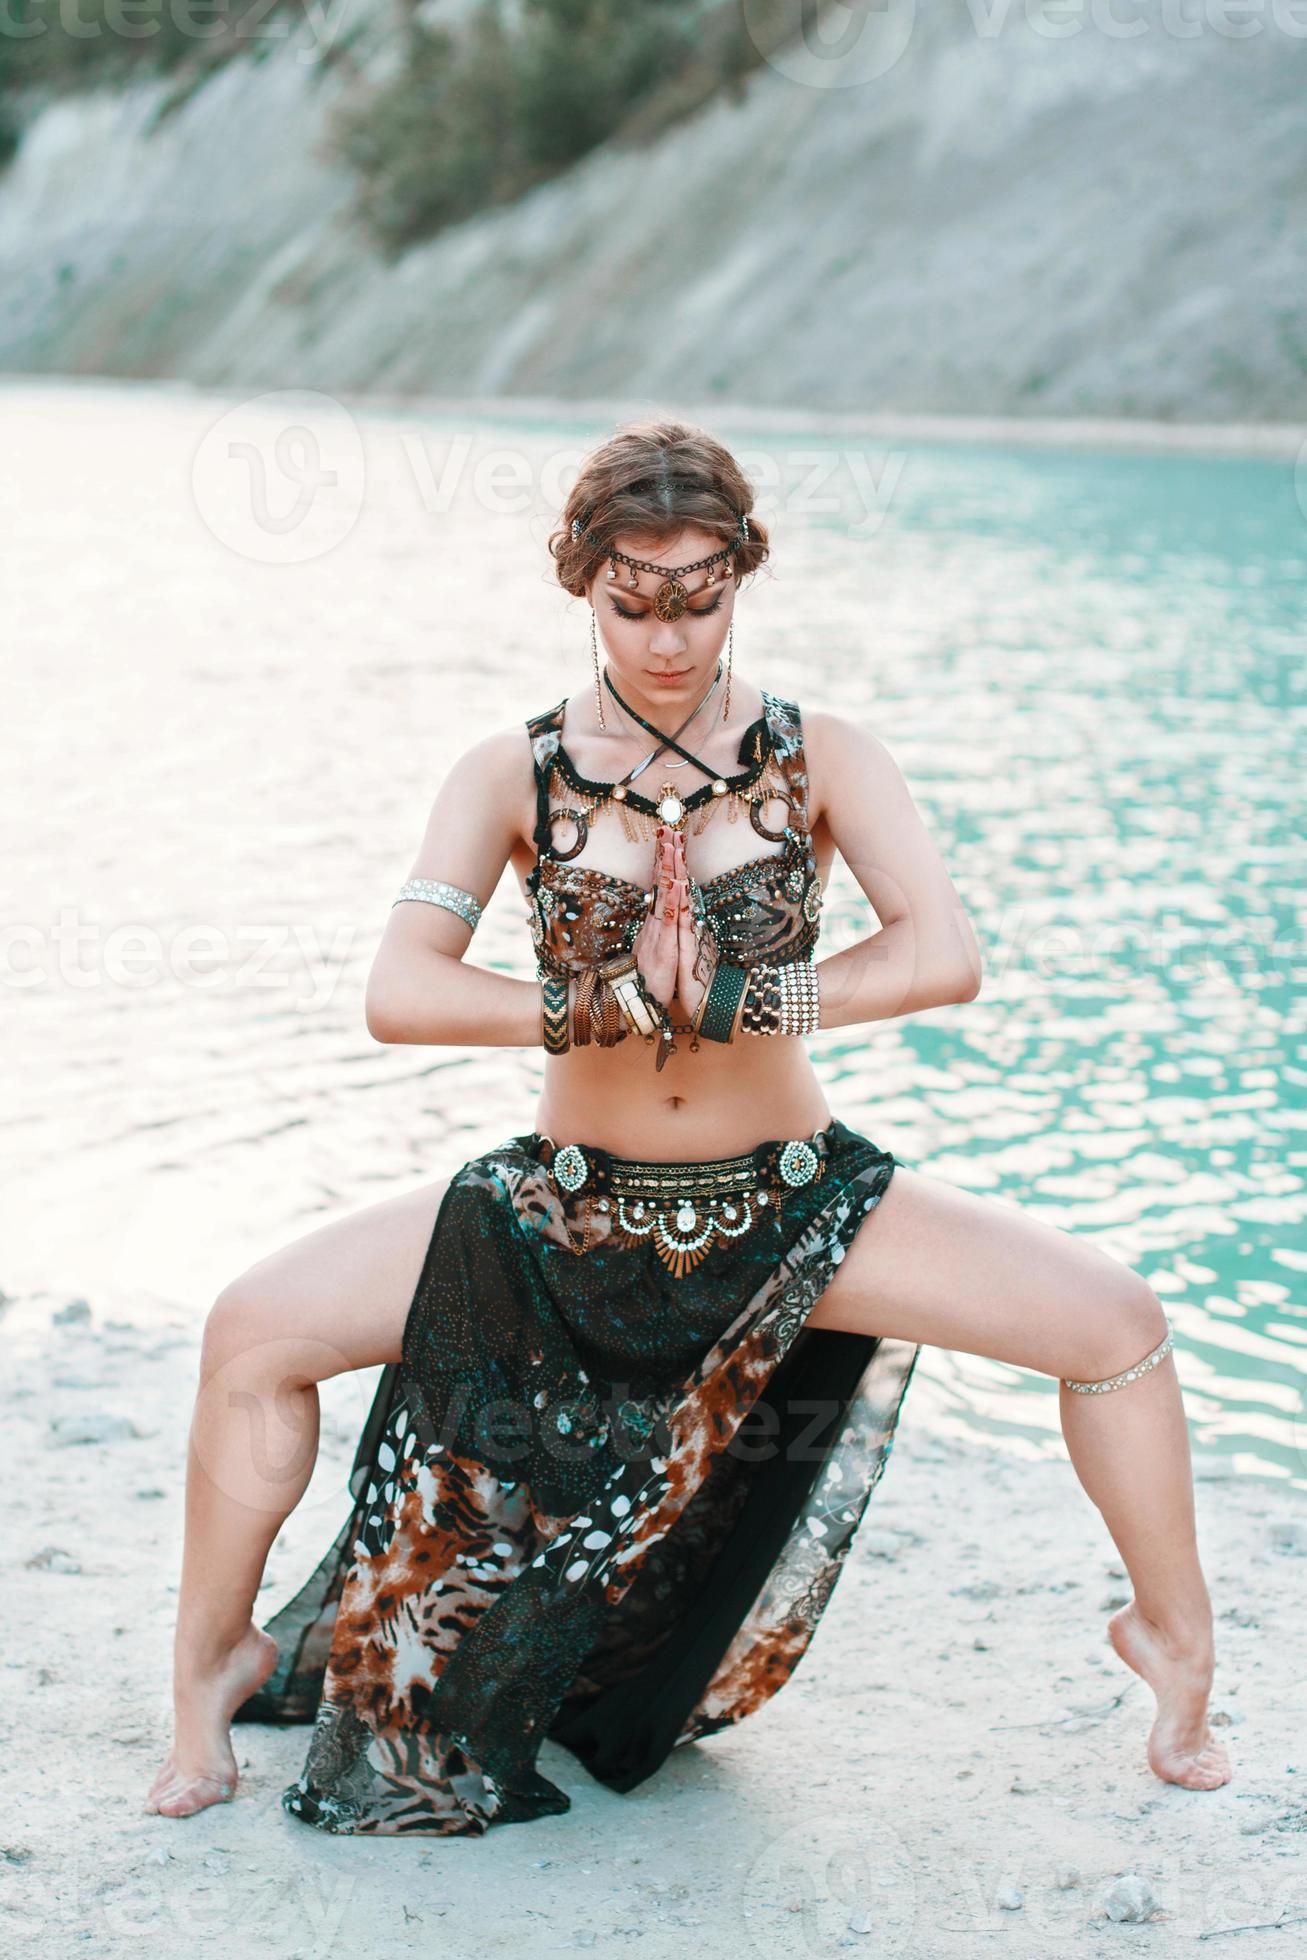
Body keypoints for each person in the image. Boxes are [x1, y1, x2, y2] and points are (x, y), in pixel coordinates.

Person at [144, 418, 1231, 1832]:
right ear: (581, 583)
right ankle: (211, 1656)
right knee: (250, 1332)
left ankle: (1176, 1647)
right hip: (557, 1210)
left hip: (790, 1208)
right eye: (633, 599)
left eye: (700, 596)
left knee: (1119, 1327)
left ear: (743, 574)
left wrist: (744, 996)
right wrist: (583, 1000)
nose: (668, 634)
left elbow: (942, 953)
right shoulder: (510, 772)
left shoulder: (823, 755)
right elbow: (397, 992)